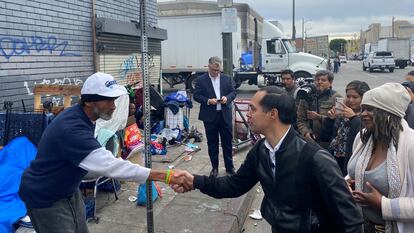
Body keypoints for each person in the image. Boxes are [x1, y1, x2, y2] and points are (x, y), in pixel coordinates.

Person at [174, 86, 363, 233]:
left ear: (273, 114)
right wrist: (195, 181)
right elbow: (234, 185)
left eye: (253, 109)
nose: (247, 114)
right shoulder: (260, 151)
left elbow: (350, 219)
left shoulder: (315, 158)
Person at [19, 72, 189, 233]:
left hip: (68, 190)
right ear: (89, 101)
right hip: (46, 197)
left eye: (114, 100)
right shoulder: (71, 129)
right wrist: (166, 176)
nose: (114, 106)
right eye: (108, 101)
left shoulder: (85, 117)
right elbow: (111, 166)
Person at [346, 83, 414, 233]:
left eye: (371, 109)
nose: (363, 114)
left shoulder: (410, 145)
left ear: (389, 112)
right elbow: (356, 172)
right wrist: (347, 184)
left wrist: (383, 205)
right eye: (363, 108)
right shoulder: (363, 137)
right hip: (360, 225)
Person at [193, 56, 236, 176]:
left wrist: (227, 98)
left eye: (218, 70)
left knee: (227, 142)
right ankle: (214, 168)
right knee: (212, 143)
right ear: (209, 67)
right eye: (213, 70)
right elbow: (196, 95)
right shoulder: (201, 80)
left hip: (224, 115)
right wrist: (208, 101)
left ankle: (229, 167)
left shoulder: (226, 78)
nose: (216, 73)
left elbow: (233, 92)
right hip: (210, 116)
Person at [319, 80, 370, 175]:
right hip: (335, 159)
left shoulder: (368, 116)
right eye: (348, 96)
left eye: (355, 97)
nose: (350, 100)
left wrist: (354, 118)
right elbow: (323, 138)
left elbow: (364, 137)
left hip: (351, 161)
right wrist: (329, 120)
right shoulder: (341, 113)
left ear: (364, 98)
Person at [296, 70, 342, 148]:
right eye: (317, 80)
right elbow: (300, 119)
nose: (319, 82)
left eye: (323, 80)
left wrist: (319, 117)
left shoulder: (337, 97)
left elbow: (339, 121)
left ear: (330, 83)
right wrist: (306, 133)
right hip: (309, 140)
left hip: (328, 141)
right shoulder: (306, 96)